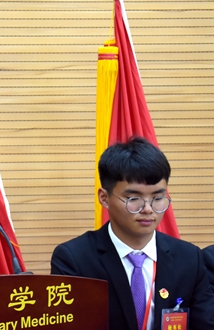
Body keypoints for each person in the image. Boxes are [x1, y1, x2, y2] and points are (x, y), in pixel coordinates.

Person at [51, 137, 214, 329]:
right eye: (133, 198)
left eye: (158, 198)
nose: (148, 209)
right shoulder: (74, 259)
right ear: (104, 198)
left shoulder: (189, 258)